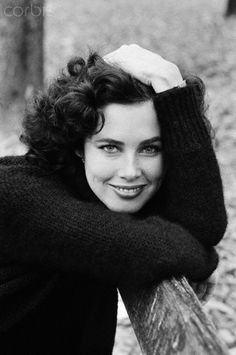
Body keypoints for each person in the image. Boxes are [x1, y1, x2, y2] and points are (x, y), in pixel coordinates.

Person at [0, 44, 227, 354]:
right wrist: (202, 257)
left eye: (150, 148)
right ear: (79, 146)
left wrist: (176, 94)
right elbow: (165, 248)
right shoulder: (17, 196)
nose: (130, 172)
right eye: (110, 147)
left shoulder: (98, 199)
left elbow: (203, 225)